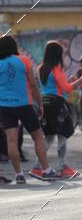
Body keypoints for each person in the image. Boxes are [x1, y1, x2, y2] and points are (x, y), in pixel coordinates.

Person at [0, 34, 55, 184]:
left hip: (5, 106)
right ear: (14, 46)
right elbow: (32, 85)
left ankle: (19, 174)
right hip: (24, 105)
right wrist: (40, 104)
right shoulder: (24, 60)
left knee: (12, 141)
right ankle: (46, 170)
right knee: (37, 137)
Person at [31, 40, 82, 180]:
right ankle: (63, 167)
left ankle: (36, 167)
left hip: (45, 103)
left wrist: (69, 80)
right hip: (56, 104)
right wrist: (81, 80)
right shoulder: (56, 68)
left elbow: (54, 85)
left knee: (49, 136)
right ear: (57, 54)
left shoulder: (40, 68)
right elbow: (67, 89)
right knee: (62, 135)